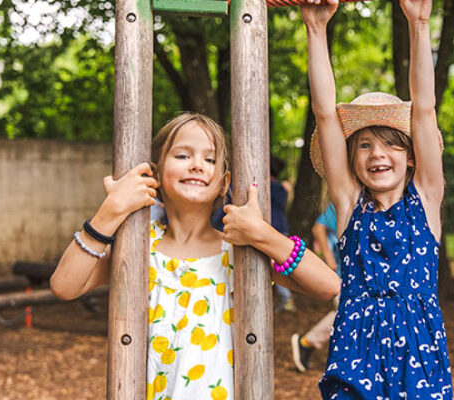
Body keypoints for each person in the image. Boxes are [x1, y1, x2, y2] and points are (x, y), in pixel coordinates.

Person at [49, 113, 340, 399]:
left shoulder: (239, 252)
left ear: (224, 183)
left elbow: (329, 286)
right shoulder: (137, 246)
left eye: (210, 159)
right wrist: (110, 213)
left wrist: (263, 234)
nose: (197, 166)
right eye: (183, 156)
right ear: (157, 173)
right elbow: (65, 286)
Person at [302, 0, 452, 397]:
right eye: (364, 145)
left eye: (390, 145)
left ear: (412, 156)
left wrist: (419, 24)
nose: (377, 155)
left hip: (418, 357)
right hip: (357, 349)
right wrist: (316, 29)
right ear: (352, 160)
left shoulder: (426, 198)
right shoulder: (350, 204)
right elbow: (324, 113)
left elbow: (423, 109)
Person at [291, 203, 342, 372]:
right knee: (346, 313)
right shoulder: (347, 198)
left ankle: (307, 342)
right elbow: (318, 227)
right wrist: (329, 257)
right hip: (346, 273)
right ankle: (306, 342)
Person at [271, 156, 297, 312]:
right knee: (279, 264)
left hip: (273, 229)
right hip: (281, 228)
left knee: (276, 265)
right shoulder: (281, 188)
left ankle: (286, 298)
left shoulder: (271, 187)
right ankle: (285, 298)